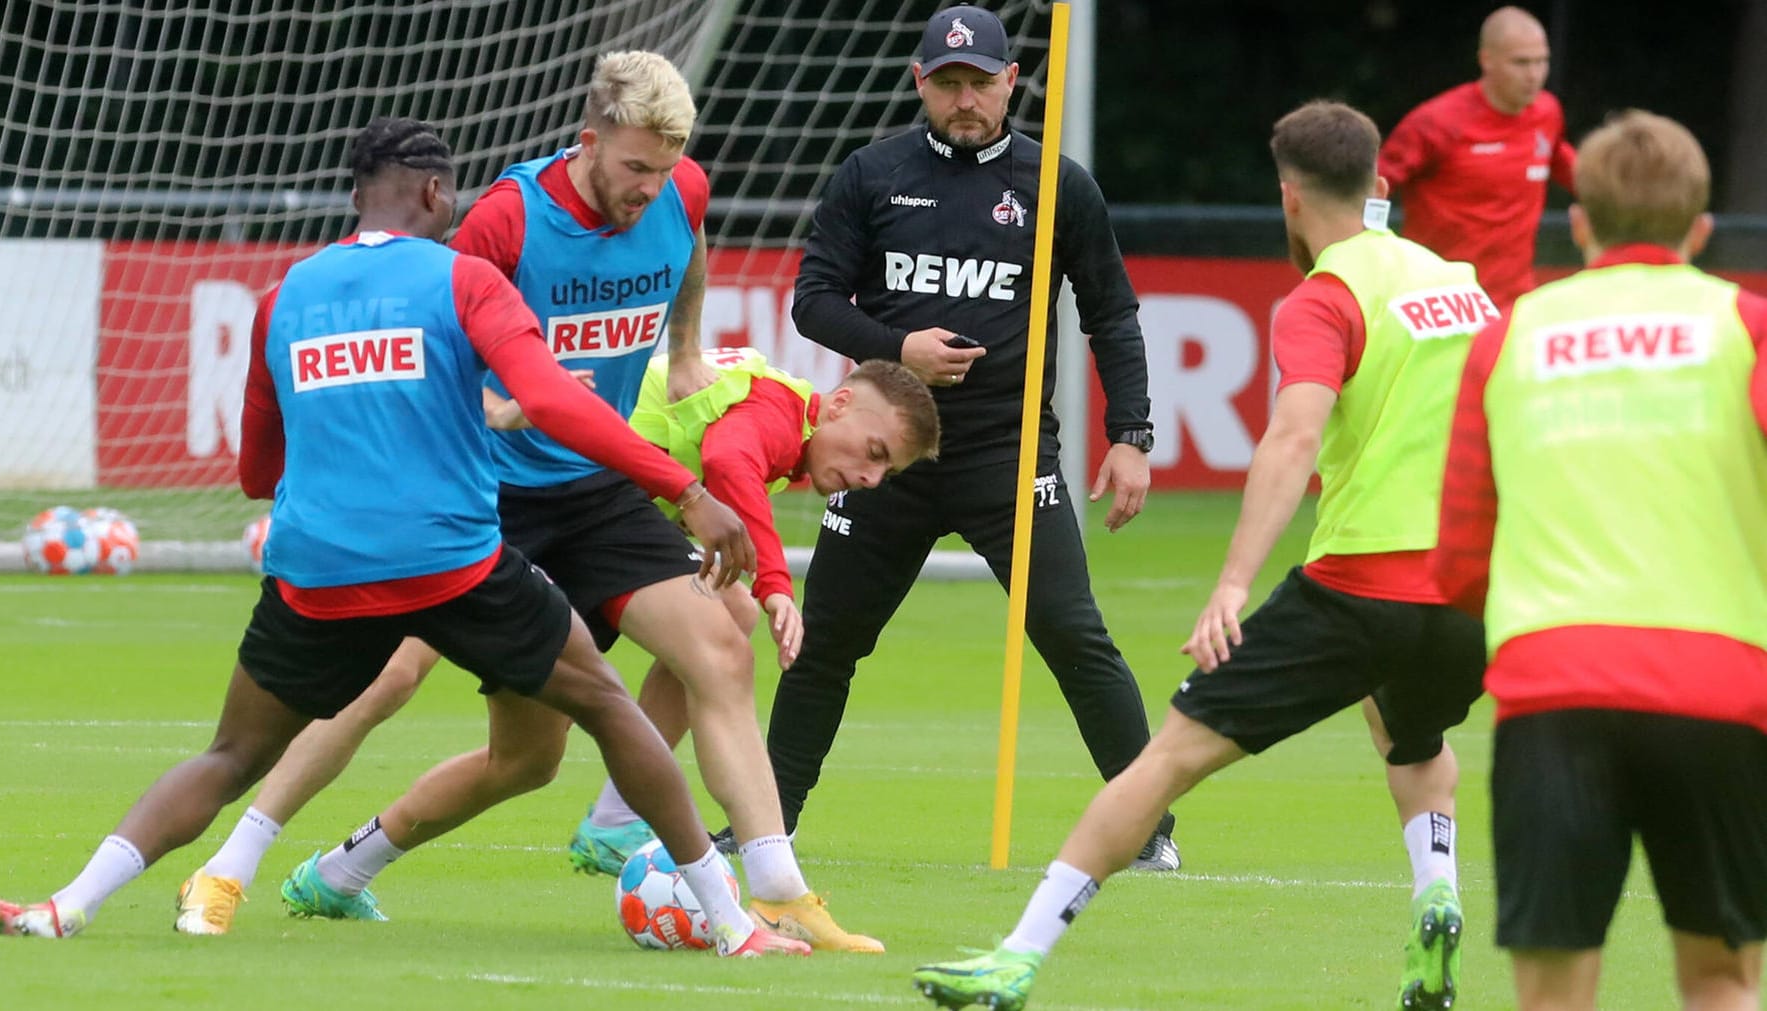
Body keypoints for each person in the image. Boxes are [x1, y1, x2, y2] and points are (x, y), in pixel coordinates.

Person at [0, 116, 806, 957]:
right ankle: (737, 925)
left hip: (314, 573)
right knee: (605, 704)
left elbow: (257, 474)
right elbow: (553, 402)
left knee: (229, 755)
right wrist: (686, 489)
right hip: (452, 564)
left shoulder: (281, 297)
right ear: (438, 194)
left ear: (354, 197)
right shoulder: (464, 281)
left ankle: (67, 903)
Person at [168, 52, 881, 953]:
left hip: (593, 491)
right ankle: (229, 863)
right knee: (413, 691)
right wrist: (489, 401)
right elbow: (415, 318)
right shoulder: (508, 217)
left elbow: (688, 239)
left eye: (664, 170)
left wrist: (690, 343)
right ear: (587, 142)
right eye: (632, 169)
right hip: (484, 490)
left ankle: (776, 888)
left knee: (711, 646)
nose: (649, 189)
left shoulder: (679, 191)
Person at [912, 99, 1496, 1010]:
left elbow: (1292, 439)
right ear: (1380, 184)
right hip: (1465, 595)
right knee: (1410, 731)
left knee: (1163, 762)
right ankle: (1437, 895)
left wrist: (1231, 584)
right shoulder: (1459, 283)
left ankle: (1016, 957)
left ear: (1288, 195)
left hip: (1358, 583)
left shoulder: (1325, 297)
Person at [732, 1, 1180, 873]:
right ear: (920, 83)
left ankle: (1145, 830)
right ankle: (766, 830)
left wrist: (1130, 433)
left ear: (1011, 82)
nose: (964, 99)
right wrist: (894, 347)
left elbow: (1111, 314)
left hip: (1006, 461)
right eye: (947, 84)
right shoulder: (872, 173)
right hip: (881, 464)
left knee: (1072, 633)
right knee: (822, 646)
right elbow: (813, 299)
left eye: (980, 83)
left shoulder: (1057, 184)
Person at [1434, 110, 1767, 1011]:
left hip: (1553, 692)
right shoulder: (1747, 328)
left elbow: (1459, 556)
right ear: (1700, 231)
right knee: (1723, 980)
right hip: (1719, 691)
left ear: (1577, 223)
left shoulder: (1508, 337)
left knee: (1552, 994)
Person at [485, 345, 942, 673]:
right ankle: (623, 805)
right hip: (530, 481)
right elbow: (727, 460)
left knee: (533, 749)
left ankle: (622, 805)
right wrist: (775, 583)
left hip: (577, 501)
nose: (872, 479)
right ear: (840, 404)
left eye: (889, 472)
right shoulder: (779, 413)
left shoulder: (789, 431)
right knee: (423, 652)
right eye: (876, 452)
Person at [1379, 5, 1576, 311]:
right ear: (1487, 60)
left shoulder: (1547, 113)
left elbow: (1577, 174)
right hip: (1438, 306)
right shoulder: (1435, 123)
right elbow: (1367, 190)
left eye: (1542, 61)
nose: (1534, 75)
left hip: (1514, 303)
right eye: (1521, 63)